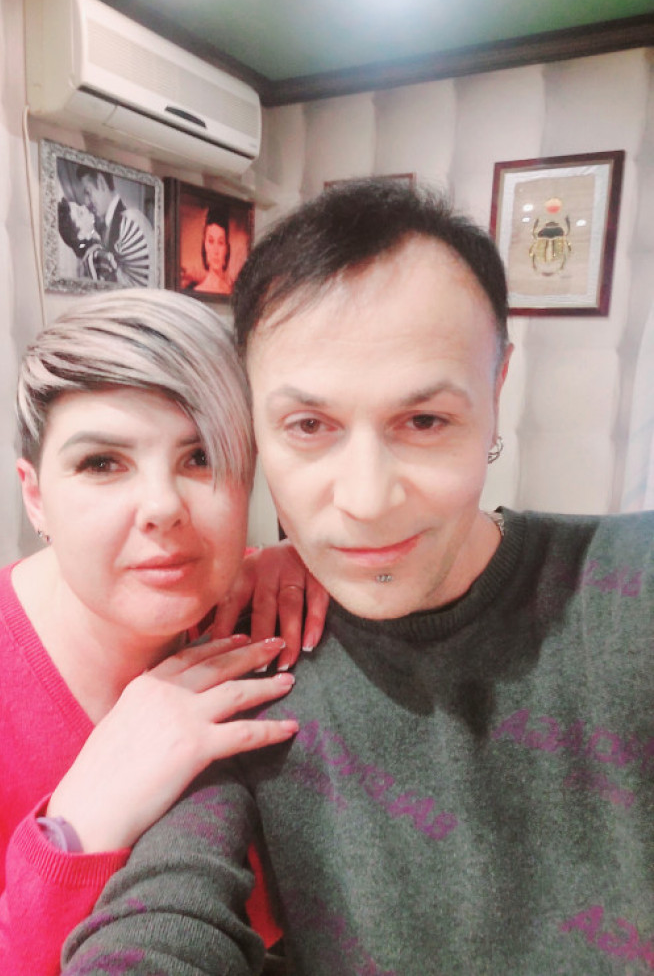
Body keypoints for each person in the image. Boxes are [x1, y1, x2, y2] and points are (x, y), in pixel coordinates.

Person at [61, 178, 654, 975]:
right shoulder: (254, 654)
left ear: (496, 389)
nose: (368, 501)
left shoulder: (625, 592)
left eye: (424, 421)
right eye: (309, 425)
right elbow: (165, 912)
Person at [0, 288, 329, 975]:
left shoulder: (265, 618)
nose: (163, 506)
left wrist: (319, 562)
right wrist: (76, 833)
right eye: (102, 463)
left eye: (202, 456)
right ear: (34, 495)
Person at [75, 168, 155, 286]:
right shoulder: (112, 224)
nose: (86, 202)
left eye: (88, 192)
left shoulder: (128, 222)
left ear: (101, 182)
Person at [182, 206, 234, 295]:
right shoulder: (196, 291)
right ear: (204, 245)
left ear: (226, 248)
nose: (216, 251)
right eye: (211, 241)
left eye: (220, 242)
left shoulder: (232, 292)